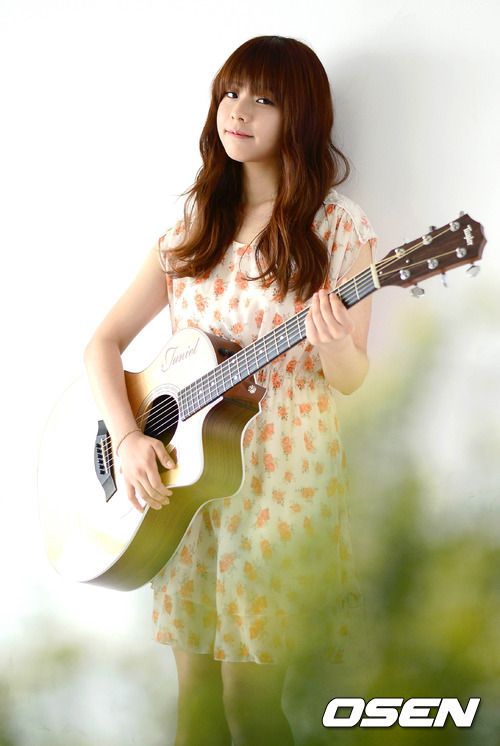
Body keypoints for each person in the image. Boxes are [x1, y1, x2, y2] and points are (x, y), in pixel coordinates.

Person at [84, 35, 377, 746]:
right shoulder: (194, 224)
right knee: (197, 703)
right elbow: (103, 344)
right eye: (231, 93)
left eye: (264, 99)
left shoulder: (337, 227)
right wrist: (128, 437)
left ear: (299, 115)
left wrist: (333, 341)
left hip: (283, 483)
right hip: (187, 487)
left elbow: (351, 379)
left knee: (252, 705)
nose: (238, 111)